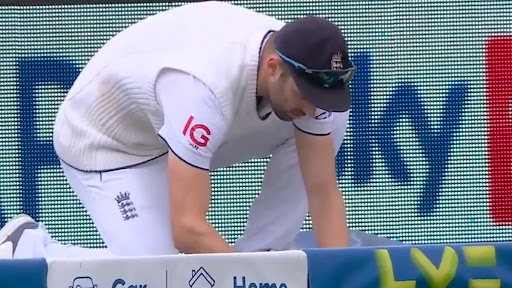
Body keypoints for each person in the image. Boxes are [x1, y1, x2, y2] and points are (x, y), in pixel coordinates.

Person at [0, 0, 356, 259]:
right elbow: (187, 227)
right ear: (273, 67)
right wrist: (247, 282)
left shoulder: (298, 74)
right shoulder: (204, 87)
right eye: (305, 93)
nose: (311, 105)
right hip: (107, 141)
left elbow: (322, 190)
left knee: (329, 120)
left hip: (174, 122)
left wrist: (343, 278)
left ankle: (265, 253)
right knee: (162, 278)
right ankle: (29, 249)